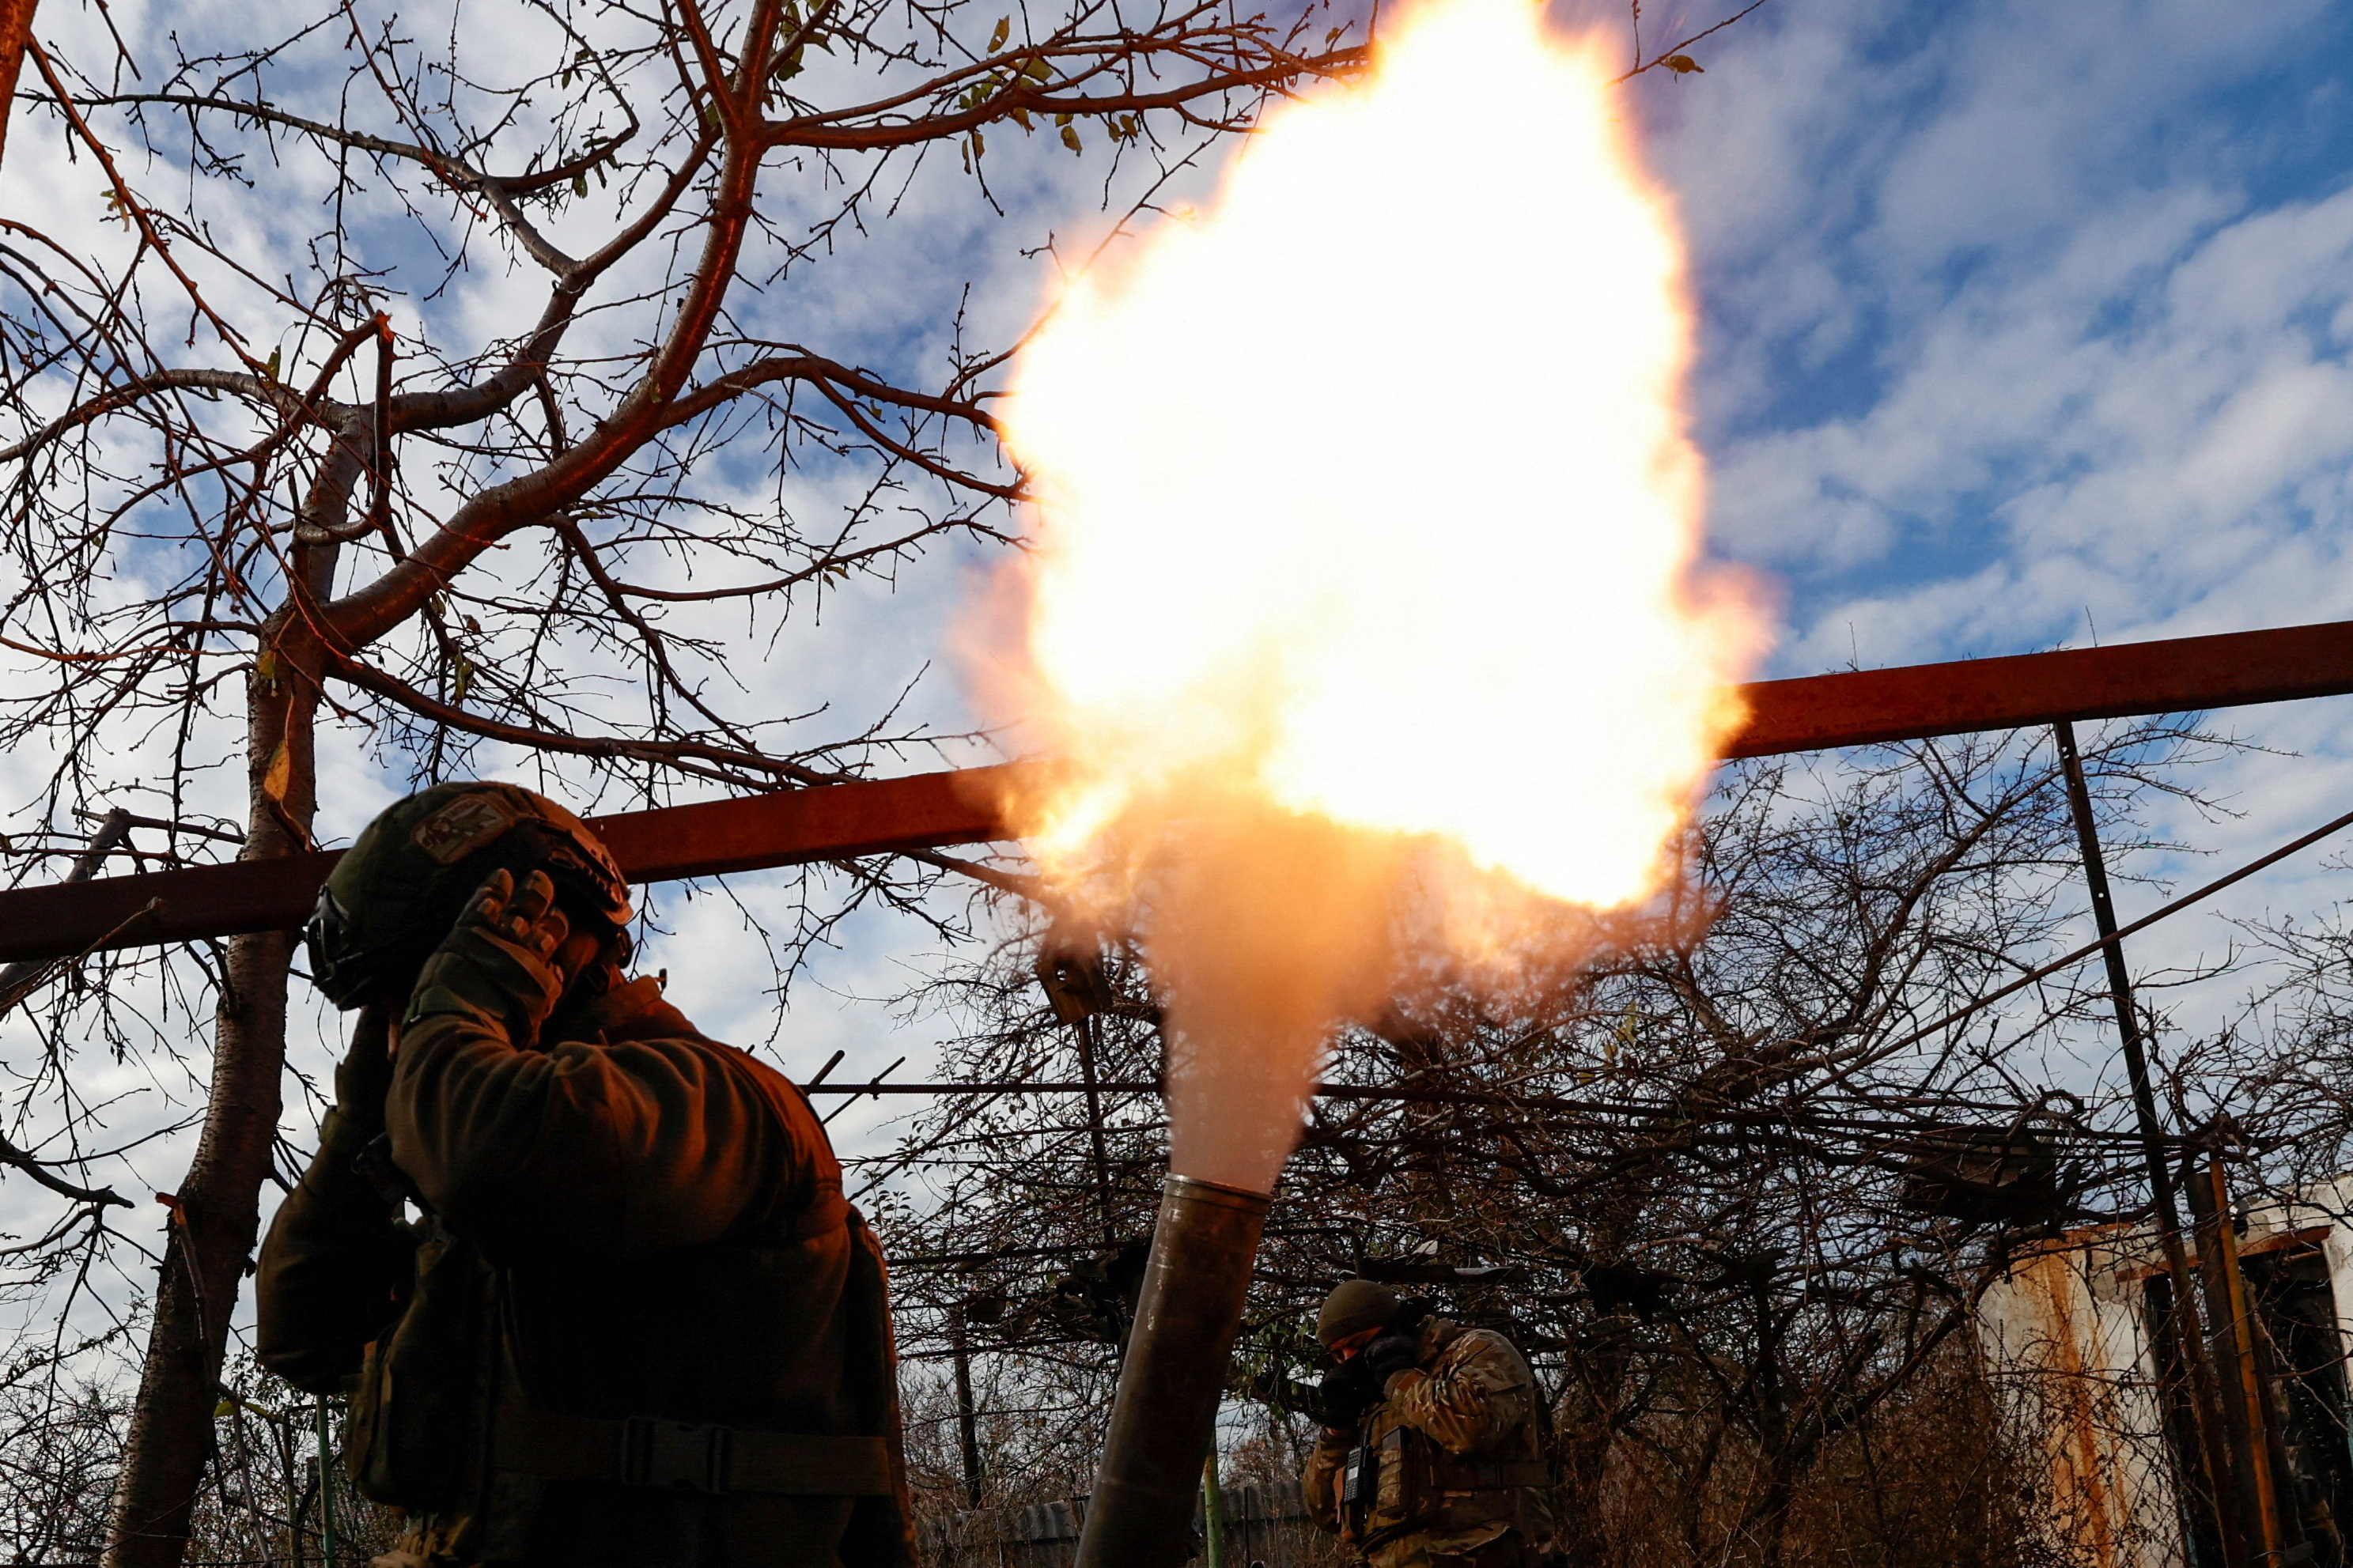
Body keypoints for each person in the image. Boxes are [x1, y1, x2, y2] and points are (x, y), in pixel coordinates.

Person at [257, 782, 913, 1568]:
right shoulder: (514, 1172)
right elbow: (305, 1334)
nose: (402, 1033)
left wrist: (463, 1012)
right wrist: (361, 1125)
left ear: (542, 939)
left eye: (416, 994)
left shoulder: (711, 1101)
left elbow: (487, 1161)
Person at [1302, 1279, 1556, 1568]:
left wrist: (1398, 1378)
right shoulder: (1366, 1402)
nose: (1349, 1361)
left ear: (1393, 1328)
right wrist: (1337, 1430)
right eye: (1338, 1355)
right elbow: (1324, 1513)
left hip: (1486, 1552)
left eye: (1358, 1345)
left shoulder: (1474, 1349)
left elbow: (1470, 1430)